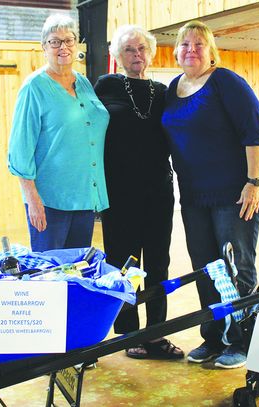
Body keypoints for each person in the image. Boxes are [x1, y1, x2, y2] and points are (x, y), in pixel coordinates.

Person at [162, 20, 259, 369]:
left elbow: (256, 132)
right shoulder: (172, 88)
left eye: (198, 44)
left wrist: (254, 182)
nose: (191, 50)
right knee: (206, 267)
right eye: (184, 45)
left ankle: (242, 340)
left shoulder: (226, 82)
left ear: (211, 52)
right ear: (176, 51)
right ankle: (213, 337)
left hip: (237, 189)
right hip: (195, 193)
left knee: (236, 264)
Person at [94, 25, 183, 360]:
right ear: (118, 55)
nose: (136, 55)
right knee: (124, 263)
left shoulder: (163, 91)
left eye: (142, 48)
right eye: (129, 49)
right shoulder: (107, 85)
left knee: (159, 264)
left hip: (159, 190)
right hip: (118, 193)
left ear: (152, 53)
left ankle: (157, 333)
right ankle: (128, 332)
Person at [8, 14, 110, 252]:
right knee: (50, 276)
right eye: (55, 41)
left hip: (83, 196)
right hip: (49, 201)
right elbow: (20, 150)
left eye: (69, 40)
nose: (63, 47)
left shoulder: (83, 83)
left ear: (76, 45)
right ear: (44, 47)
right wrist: (33, 200)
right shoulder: (34, 87)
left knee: (75, 272)